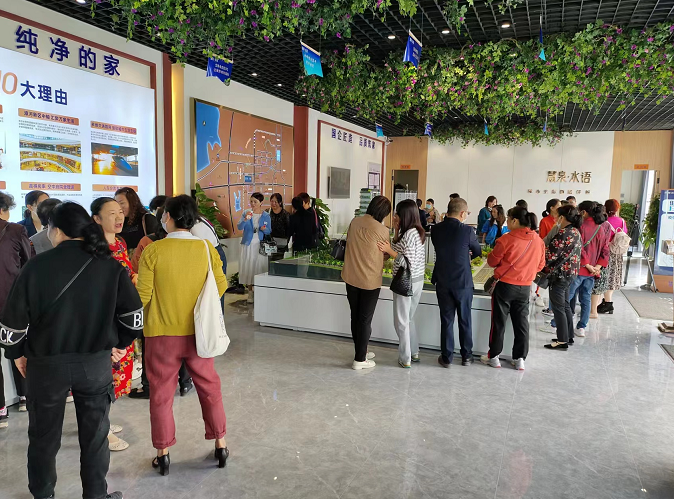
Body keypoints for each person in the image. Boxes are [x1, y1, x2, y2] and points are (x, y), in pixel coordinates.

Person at [0, 201, 142, 499]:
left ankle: (43, 494)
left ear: (57, 230)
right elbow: (134, 318)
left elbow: (12, 326)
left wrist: (18, 354)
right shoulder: (109, 266)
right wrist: (119, 344)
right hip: (94, 366)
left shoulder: (36, 266)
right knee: (96, 437)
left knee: (43, 437)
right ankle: (96, 495)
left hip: (45, 367)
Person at [136, 195, 229, 476]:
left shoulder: (153, 250)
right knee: (209, 388)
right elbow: (220, 286)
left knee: (161, 394)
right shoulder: (205, 248)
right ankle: (221, 444)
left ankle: (163, 453)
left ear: (168, 217)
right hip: (199, 334)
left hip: (161, 334)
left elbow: (143, 296)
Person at [127, 206, 194, 400]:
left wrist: (135, 308)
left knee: (153, 349)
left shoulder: (148, 243)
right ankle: (185, 383)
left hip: (155, 308)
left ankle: (149, 386)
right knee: (185, 344)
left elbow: (136, 272)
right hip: (185, 305)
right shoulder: (195, 244)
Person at [91, 197, 137, 452]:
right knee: (102, 379)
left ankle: (101, 422)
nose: (119, 217)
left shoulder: (120, 243)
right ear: (96, 219)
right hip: (105, 324)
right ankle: (101, 430)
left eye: (120, 212)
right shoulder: (94, 249)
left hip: (122, 322)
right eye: (111, 213)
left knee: (114, 380)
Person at [481, 206, 545, 371]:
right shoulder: (538, 240)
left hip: (504, 286)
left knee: (498, 322)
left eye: (509, 219)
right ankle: (519, 359)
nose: (507, 222)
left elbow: (492, 262)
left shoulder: (506, 239)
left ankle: (494, 357)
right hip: (525, 287)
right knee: (522, 324)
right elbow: (540, 266)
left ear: (515, 220)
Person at [341, 196, 391, 370]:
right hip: (370, 280)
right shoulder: (383, 230)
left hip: (350, 276)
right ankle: (360, 359)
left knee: (355, 316)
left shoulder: (354, 222)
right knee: (364, 320)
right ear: (383, 213)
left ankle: (361, 350)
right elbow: (385, 255)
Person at [431, 197, 481, 367]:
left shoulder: (436, 229)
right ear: (462, 213)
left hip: (443, 280)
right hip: (463, 282)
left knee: (447, 320)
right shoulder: (467, 231)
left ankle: (447, 357)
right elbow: (477, 251)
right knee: (464, 319)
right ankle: (467, 356)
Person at [376, 200, 425, 368]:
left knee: (401, 322)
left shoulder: (410, 234)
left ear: (405, 215)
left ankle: (405, 358)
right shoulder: (414, 232)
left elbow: (406, 262)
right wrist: (396, 231)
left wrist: (388, 250)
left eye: (397, 213)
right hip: (417, 281)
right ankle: (414, 351)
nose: (395, 216)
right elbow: (399, 248)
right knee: (409, 319)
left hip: (406, 282)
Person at [0, 192, 32, 426]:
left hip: (10, 300)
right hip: (11, 300)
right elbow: (28, 264)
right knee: (17, 345)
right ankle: (24, 396)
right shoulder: (15, 230)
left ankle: (1, 408)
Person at [567, 201, 611, 337]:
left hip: (579, 269)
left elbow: (578, 248)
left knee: (567, 297)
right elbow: (605, 250)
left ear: (584, 212)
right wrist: (597, 267)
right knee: (586, 298)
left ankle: (557, 323)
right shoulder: (601, 228)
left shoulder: (580, 227)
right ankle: (582, 327)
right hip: (592, 272)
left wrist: (587, 265)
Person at [542, 206, 582, 350]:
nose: (555, 218)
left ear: (562, 217)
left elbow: (550, 256)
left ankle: (562, 340)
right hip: (570, 273)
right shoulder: (575, 231)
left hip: (559, 275)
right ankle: (568, 336)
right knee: (565, 305)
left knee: (558, 307)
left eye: (557, 215)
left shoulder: (563, 233)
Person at [238, 192, 271, 303]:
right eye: (251, 201)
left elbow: (269, 230)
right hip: (248, 244)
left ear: (261, 202)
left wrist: (264, 229)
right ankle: (250, 292)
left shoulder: (266, 215)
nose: (252, 204)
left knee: (259, 267)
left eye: (255, 202)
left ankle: (258, 291)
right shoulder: (246, 213)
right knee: (249, 266)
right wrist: (245, 220)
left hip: (260, 245)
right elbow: (239, 227)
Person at [596, 199, 628, 315]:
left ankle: (608, 303)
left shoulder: (604, 221)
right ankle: (606, 301)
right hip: (617, 254)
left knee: (605, 277)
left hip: (606, 252)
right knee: (613, 277)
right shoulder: (622, 221)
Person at [115, 187, 160, 253]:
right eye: (116, 204)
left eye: (122, 203)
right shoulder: (117, 222)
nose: (119, 207)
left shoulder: (147, 219)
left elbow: (157, 244)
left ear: (132, 203)